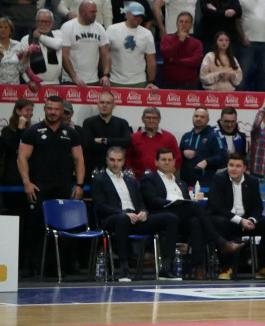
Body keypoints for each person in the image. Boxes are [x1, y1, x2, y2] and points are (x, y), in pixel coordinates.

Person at [141, 147, 241, 280]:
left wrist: (181, 203)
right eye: (163, 160)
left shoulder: (181, 183)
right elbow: (151, 200)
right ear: (156, 162)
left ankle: (198, 268)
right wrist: (172, 202)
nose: (166, 162)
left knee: (195, 221)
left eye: (169, 160)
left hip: (181, 218)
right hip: (161, 215)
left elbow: (186, 201)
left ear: (174, 162)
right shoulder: (149, 179)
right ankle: (221, 243)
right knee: (194, 207)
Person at [17, 94, 87, 274]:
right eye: (49, 109)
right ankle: (33, 268)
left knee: (65, 228)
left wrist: (79, 184)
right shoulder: (32, 132)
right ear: (44, 109)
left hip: (63, 188)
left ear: (62, 111)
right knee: (36, 228)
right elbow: (22, 157)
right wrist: (27, 182)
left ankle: (63, 268)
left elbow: (79, 159)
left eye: (56, 109)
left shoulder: (70, 133)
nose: (53, 112)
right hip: (39, 187)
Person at [91, 145, 179, 282]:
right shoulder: (99, 180)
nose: (116, 164)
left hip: (135, 218)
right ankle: (124, 270)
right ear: (107, 161)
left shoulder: (131, 181)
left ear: (123, 161)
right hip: (113, 219)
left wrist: (143, 212)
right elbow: (100, 205)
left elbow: (140, 203)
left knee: (171, 218)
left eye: (119, 160)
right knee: (122, 219)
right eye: (112, 160)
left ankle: (166, 268)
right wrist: (123, 212)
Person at [208, 153, 265, 280]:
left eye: (238, 166)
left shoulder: (252, 181)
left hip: (246, 220)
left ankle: (264, 267)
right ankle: (225, 268)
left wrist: (251, 220)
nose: (233, 169)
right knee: (221, 223)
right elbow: (217, 207)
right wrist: (240, 221)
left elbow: (258, 207)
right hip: (226, 218)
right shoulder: (218, 179)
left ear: (244, 168)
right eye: (231, 165)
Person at [106, 2, 157, 88]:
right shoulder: (112, 30)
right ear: (127, 14)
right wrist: (106, 75)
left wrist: (151, 81)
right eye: (135, 15)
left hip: (139, 81)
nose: (138, 18)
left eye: (141, 16)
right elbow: (104, 54)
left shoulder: (147, 34)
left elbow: (151, 60)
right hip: (115, 80)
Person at [60, 1, 110, 88]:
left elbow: (106, 54)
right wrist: (74, 77)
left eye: (95, 11)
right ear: (82, 11)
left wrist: (106, 75)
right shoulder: (67, 27)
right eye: (92, 12)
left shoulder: (99, 28)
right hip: (71, 80)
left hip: (93, 80)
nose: (95, 14)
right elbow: (64, 54)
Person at [160, 11, 203, 89]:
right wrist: (180, 41)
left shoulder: (197, 43)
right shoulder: (166, 39)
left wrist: (176, 61)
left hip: (190, 84)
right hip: (170, 83)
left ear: (191, 25)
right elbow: (167, 55)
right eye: (181, 21)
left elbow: (196, 61)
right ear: (177, 24)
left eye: (186, 22)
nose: (183, 24)